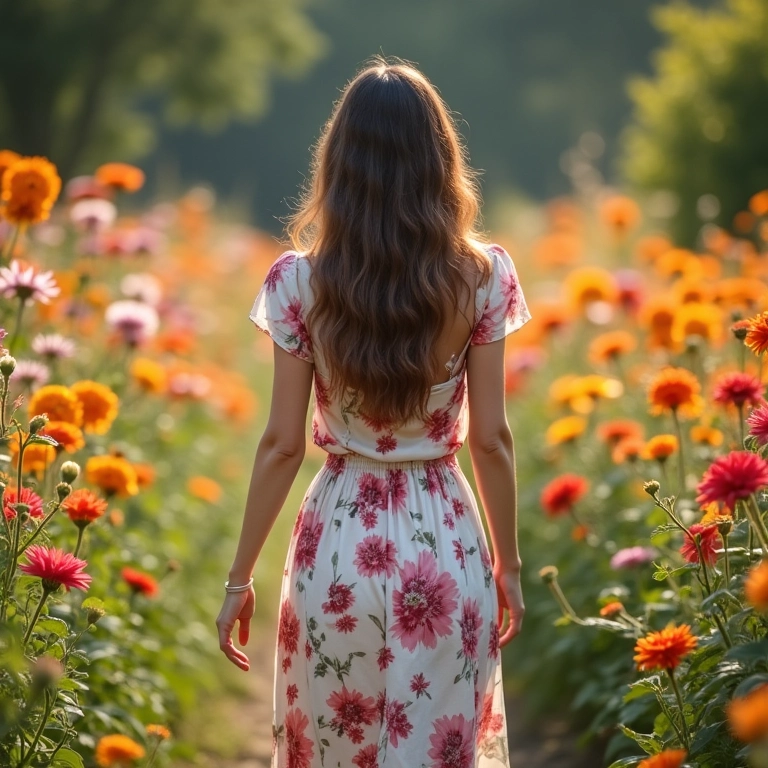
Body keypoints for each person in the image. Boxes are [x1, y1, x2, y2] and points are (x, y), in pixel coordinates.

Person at [216, 56, 530, 768]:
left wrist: (239, 579)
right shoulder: (483, 276)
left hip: (336, 545)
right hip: (444, 544)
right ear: (440, 161)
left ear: (339, 163)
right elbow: (491, 440)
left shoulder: (298, 282)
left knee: (336, 748)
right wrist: (508, 565)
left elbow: (282, 446)